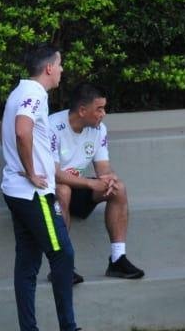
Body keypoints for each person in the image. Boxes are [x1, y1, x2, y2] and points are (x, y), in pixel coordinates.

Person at [0, 44, 94, 331]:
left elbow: (2, 129)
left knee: (27, 262)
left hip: (17, 190)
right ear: (49, 68)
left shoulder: (18, 92)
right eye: (61, 64)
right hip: (32, 193)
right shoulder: (35, 94)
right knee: (62, 254)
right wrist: (30, 170)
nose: (63, 70)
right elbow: (22, 130)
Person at [49, 83, 145, 281]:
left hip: (79, 187)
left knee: (118, 189)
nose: (103, 114)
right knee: (63, 190)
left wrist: (110, 178)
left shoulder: (99, 129)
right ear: (83, 110)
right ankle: (61, 265)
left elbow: (103, 169)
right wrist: (92, 183)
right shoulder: (52, 126)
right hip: (52, 191)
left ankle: (118, 259)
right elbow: (54, 174)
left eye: (104, 108)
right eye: (99, 109)